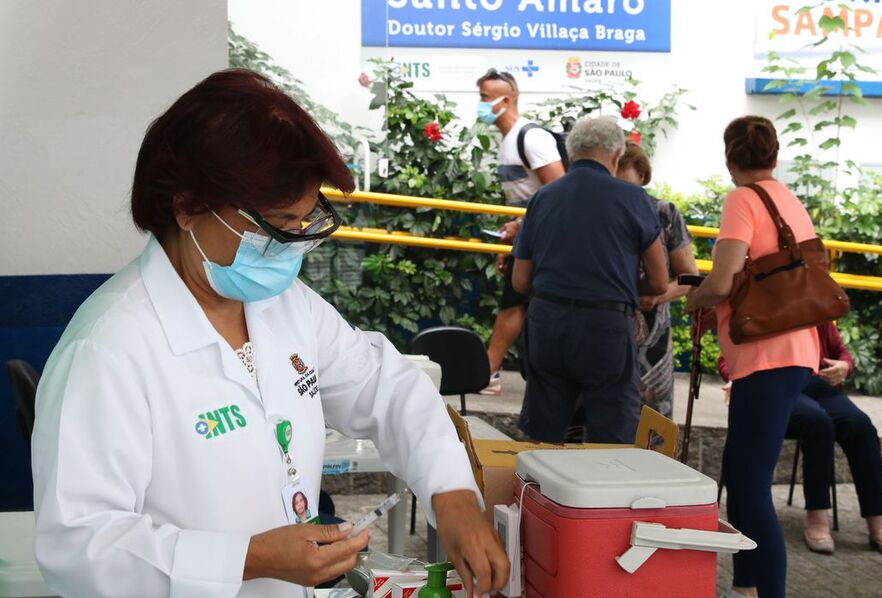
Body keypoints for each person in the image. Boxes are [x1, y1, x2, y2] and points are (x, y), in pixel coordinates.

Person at [31, 69, 508, 598]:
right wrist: (247, 558)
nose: (291, 248)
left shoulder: (283, 306)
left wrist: (453, 494)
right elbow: (80, 545)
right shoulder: (110, 348)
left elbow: (385, 387)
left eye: (305, 225)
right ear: (188, 206)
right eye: (276, 225)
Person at [686, 115, 821, 598]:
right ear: (775, 155)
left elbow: (721, 281)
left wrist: (696, 299)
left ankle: (769, 591)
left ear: (729, 160)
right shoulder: (787, 199)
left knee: (750, 482)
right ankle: (744, 585)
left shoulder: (743, 199)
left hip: (767, 354)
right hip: (793, 349)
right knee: (739, 475)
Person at [510, 116, 668, 443]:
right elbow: (659, 281)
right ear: (616, 156)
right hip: (606, 326)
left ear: (570, 154)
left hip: (547, 323)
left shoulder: (543, 198)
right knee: (611, 437)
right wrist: (619, 286)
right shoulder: (634, 199)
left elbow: (520, 281)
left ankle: (539, 493)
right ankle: (601, 494)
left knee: (544, 435)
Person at [719, 322, 882, 559]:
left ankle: (878, 518)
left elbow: (840, 351)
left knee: (861, 426)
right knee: (818, 423)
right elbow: (727, 358)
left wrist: (845, 366)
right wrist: (739, 378)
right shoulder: (761, 306)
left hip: (822, 386)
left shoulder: (814, 308)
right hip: (778, 386)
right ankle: (817, 514)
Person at [476, 68, 566, 394]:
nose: (481, 104)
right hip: (526, 236)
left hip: (541, 236)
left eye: (485, 98)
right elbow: (523, 200)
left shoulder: (532, 137)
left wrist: (523, 227)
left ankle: (488, 372)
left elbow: (559, 191)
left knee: (513, 303)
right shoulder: (508, 141)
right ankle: (495, 372)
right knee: (519, 302)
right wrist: (509, 243)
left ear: (506, 99)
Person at [616, 140, 697, 419]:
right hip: (607, 332)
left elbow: (690, 278)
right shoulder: (602, 212)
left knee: (651, 430)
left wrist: (658, 295)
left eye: (627, 183)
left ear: (642, 175)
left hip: (653, 342)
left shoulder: (664, 213)